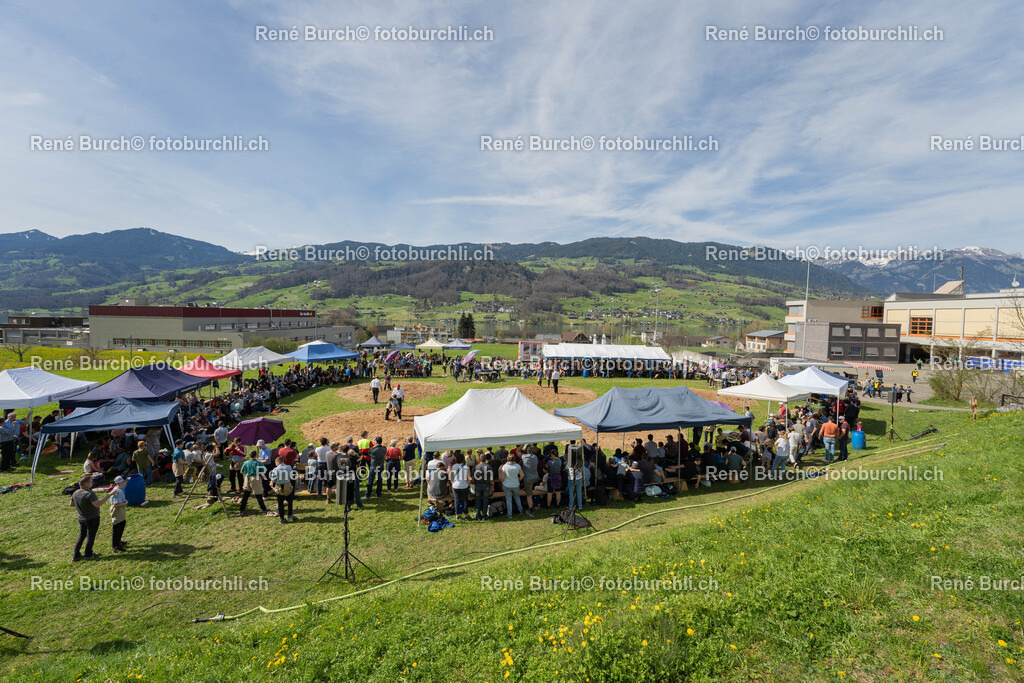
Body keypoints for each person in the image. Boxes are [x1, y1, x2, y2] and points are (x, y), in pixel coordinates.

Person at [70, 474, 113, 562]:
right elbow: (97, 504)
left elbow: (71, 504)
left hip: (81, 518)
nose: (92, 483)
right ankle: (88, 554)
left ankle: (76, 555)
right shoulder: (90, 494)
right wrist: (108, 495)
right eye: (90, 481)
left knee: (82, 536)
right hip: (92, 518)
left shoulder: (75, 492)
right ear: (86, 484)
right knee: (90, 536)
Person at [238, 451, 269, 516]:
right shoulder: (259, 463)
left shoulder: (246, 462)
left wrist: (246, 474)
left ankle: (242, 510)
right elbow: (264, 471)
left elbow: (241, 471)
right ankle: (263, 509)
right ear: (256, 455)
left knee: (246, 495)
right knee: (258, 495)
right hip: (255, 478)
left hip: (247, 478)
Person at [269, 456, 296, 523]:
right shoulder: (289, 467)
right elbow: (292, 477)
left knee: (280, 503)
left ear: (277, 462)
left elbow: (273, 479)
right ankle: (290, 515)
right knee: (290, 501)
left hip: (279, 487)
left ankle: (282, 518)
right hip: (287, 485)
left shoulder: (275, 469)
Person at [107, 475, 129, 552]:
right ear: (120, 482)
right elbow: (115, 504)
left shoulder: (120, 489)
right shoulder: (118, 491)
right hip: (117, 509)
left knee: (122, 523)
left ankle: (118, 541)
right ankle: (115, 546)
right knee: (117, 527)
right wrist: (125, 503)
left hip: (120, 508)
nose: (126, 481)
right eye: (125, 480)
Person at [520, 446, 540, 516]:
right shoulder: (535, 457)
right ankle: (536, 504)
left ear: (525, 451)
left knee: (529, 495)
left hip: (528, 479)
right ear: (531, 451)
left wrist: (521, 445)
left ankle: (531, 510)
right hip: (535, 477)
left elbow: (517, 452)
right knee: (531, 490)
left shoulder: (524, 457)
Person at [450, 452, 471, 520]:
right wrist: (468, 484)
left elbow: (451, 476)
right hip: (464, 485)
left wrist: (452, 482)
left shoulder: (453, 466)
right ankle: (466, 515)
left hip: (455, 485)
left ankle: (457, 515)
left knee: (457, 500)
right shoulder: (466, 467)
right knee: (465, 500)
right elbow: (469, 477)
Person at [565, 443, 585, 511]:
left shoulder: (569, 463)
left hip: (571, 478)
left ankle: (571, 506)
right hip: (579, 478)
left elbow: (566, 468)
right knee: (579, 492)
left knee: (571, 492)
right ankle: (580, 506)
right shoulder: (580, 462)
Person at [473, 452, 492, 520]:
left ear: (479, 459)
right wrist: (492, 485)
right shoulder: (489, 466)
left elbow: (473, 477)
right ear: (485, 459)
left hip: (478, 484)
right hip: (486, 485)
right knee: (485, 500)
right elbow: (491, 477)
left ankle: (478, 515)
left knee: (477, 500)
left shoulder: (476, 466)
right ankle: (484, 515)